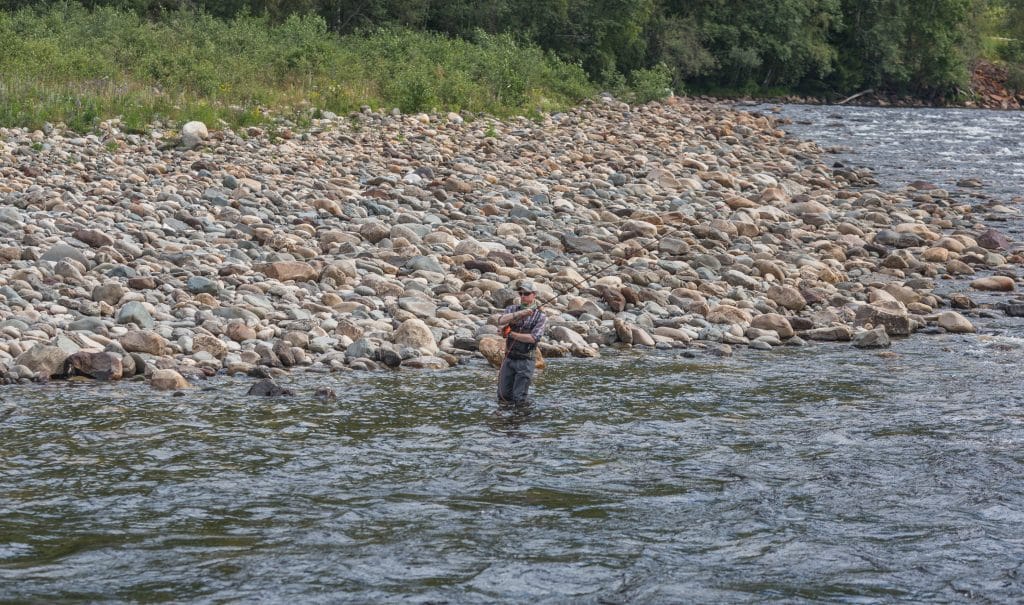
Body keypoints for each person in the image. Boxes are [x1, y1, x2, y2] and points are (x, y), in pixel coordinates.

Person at [495, 280, 547, 407]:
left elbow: (533, 338)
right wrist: (520, 313)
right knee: (503, 395)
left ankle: (520, 422)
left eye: (526, 293)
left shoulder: (541, 316)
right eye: (521, 293)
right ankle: (504, 423)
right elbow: (501, 320)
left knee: (519, 398)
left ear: (534, 295)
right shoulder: (512, 309)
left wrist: (510, 334)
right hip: (509, 358)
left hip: (526, 360)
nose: (523, 296)